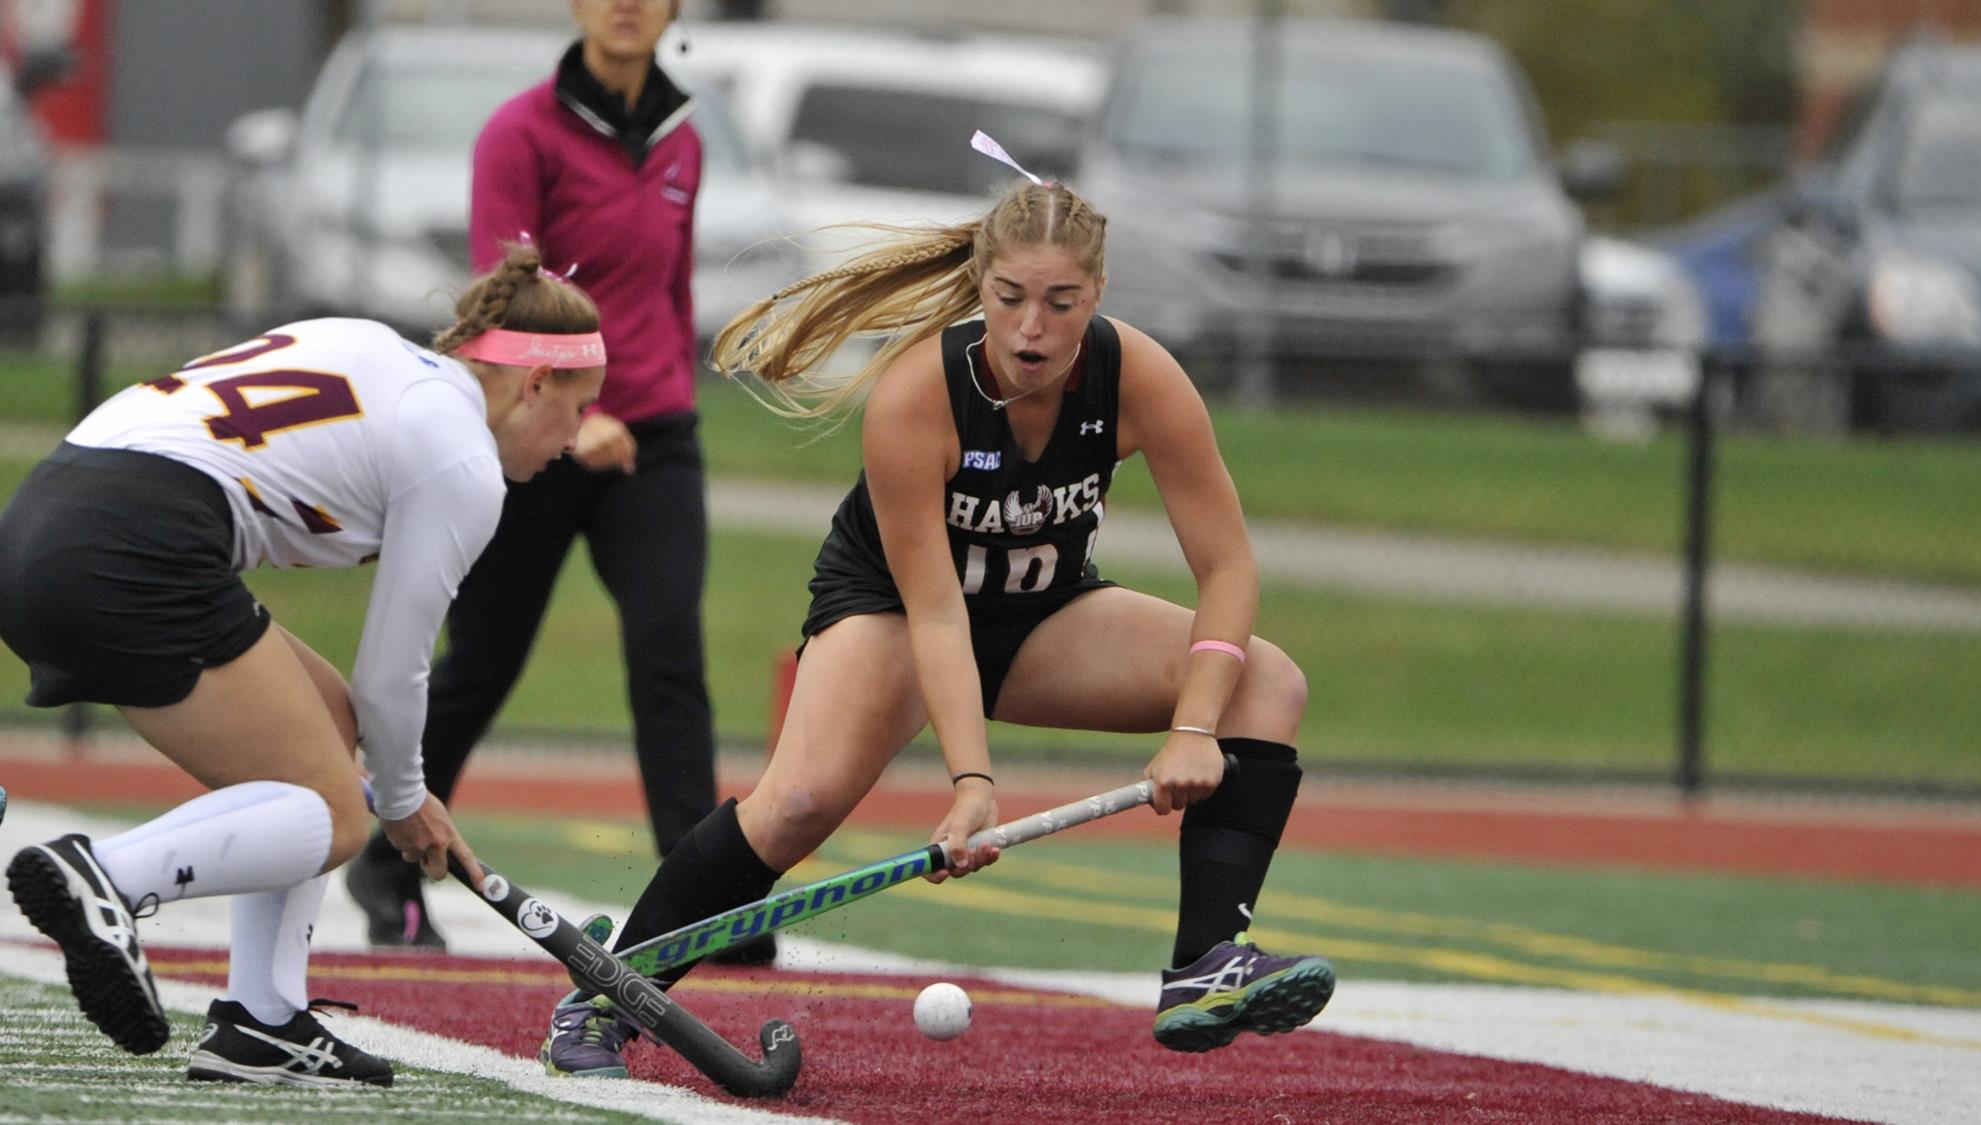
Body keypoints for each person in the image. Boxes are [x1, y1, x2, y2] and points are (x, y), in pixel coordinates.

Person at [533, 165, 1334, 1078]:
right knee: (795, 805)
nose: (1034, 329)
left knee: (1265, 682)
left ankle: (1204, 967)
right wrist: (971, 781)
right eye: (1011, 298)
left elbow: (1227, 566)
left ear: (1098, 294)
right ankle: (607, 996)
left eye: (1063, 302)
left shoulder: (1140, 375)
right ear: (981, 289)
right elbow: (937, 611)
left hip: (1042, 611)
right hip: (893, 609)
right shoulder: (919, 395)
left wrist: (1195, 727)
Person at [1, 245, 605, 1087]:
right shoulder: (462, 458)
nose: (577, 440)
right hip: (131, 541)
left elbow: (364, 698)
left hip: (42, 513)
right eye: (579, 410)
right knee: (338, 813)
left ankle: (263, 1018)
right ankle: (102, 875)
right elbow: (395, 670)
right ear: (534, 382)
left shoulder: (376, 349)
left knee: (330, 727)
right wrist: (402, 803)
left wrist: (396, 781)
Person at [339, 0, 773, 965]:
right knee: (484, 657)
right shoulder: (518, 132)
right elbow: (508, 300)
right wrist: (582, 407)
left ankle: (695, 899)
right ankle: (388, 857)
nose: (627, 5)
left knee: (670, 653)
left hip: (655, 434)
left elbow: (669, 296)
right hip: (540, 427)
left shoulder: (683, 141)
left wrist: (654, 401)